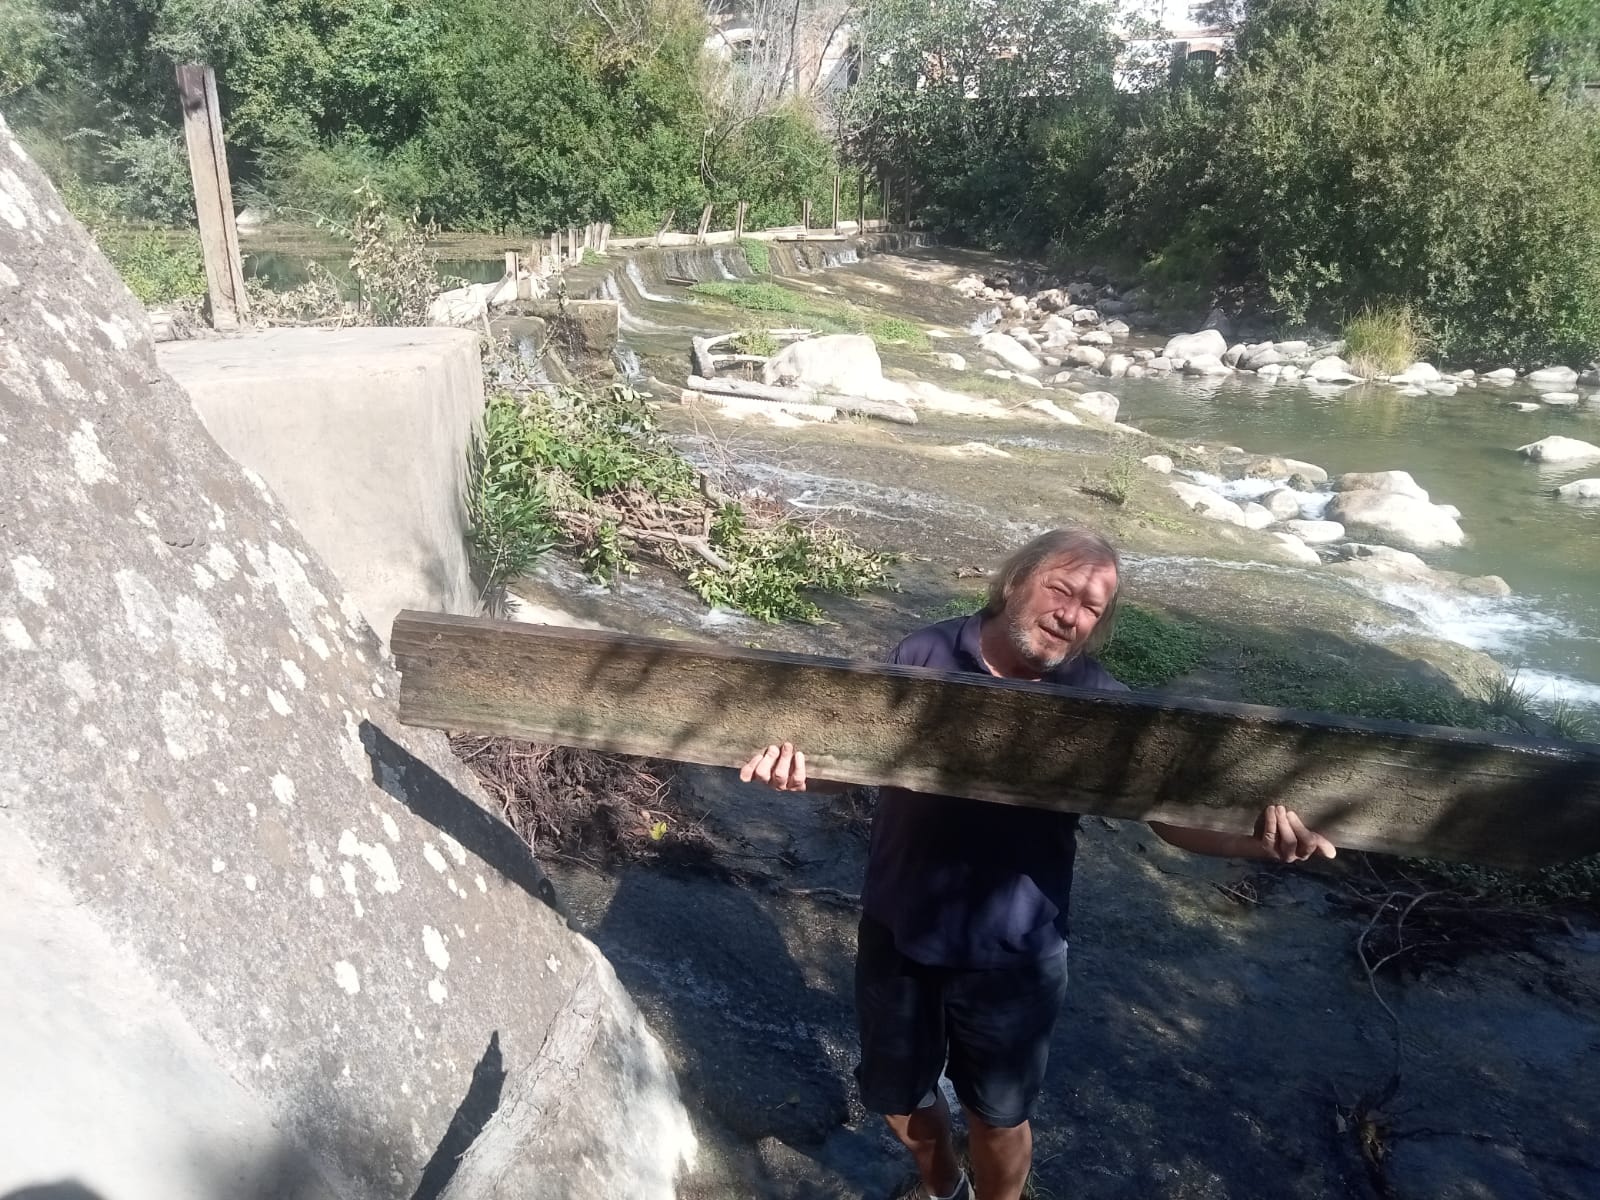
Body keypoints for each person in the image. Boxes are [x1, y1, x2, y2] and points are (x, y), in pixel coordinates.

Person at [739, 527, 1336, 1200]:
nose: (1072, 614)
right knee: (898, 1097)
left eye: (1092, 607)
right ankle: (945, 1188)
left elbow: (1169, 818)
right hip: (900, 925)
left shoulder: (1102, 702)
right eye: (1061, 589)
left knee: (999, 1116)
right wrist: (794, 773)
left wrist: (1259, 841)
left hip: (1016, 951)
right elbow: (850, 765)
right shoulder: (925, 653)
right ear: (1014, 582)